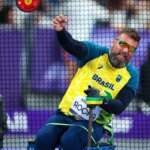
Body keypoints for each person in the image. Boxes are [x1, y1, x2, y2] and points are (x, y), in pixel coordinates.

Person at [35, 15, 141, 150]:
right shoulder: (95, 52)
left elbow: (120, 106)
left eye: (131, 49)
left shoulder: (132, 74)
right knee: (43, 139)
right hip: (65, 115)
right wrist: (61, 32)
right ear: (114, 42)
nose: (126, 50)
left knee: (70, 140)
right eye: (123, 44)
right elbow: (72, 46)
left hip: (94, 124)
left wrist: (100, 100)